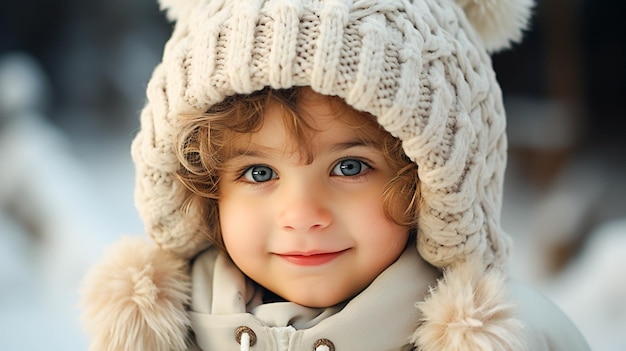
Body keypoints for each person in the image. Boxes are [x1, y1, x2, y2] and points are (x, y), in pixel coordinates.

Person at [80, 0, 590, 350]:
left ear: (434, 189)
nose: (302, 215)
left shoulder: (522, 338)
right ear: (205, 192)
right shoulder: (163, 337)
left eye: (350, 167)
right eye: (259, 172)